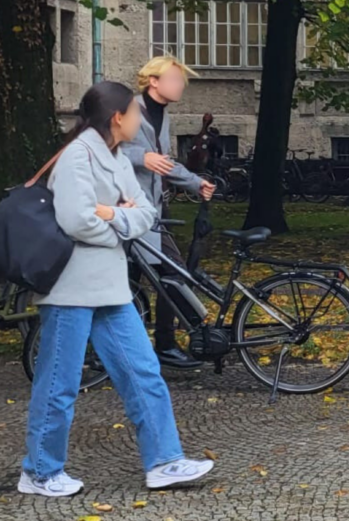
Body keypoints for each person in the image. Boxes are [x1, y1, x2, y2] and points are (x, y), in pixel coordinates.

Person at [20, 81, 215, 497]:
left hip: (109, 286)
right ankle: (39, 471)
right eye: (134, 112)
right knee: (59, 383)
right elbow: (76, 220)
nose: (140, 118)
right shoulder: (77, 156)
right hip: (71, 288)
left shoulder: (112, 156)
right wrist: (119, 228)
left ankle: (164, 461)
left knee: (143, 374)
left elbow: (144, 211)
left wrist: (114, 218)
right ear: (117, 118)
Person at [123, 57, 215, 369]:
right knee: (170, 274)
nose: (181, 86)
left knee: (141, 280)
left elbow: (164, 161)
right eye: (175, 79)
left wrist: (195, 182)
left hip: (151, 211)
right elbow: (104, 147)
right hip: (125, 211)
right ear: (154, 81)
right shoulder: (128, 108)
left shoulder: (163, 116)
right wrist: (141, 157)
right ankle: (161, 344)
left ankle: (139, 347)